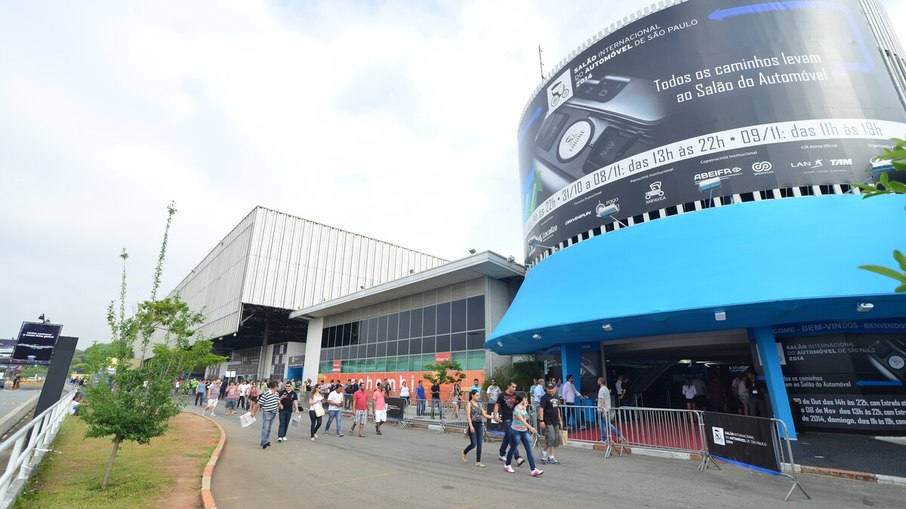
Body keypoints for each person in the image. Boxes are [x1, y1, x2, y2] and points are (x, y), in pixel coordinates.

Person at [504, 395, 543, 477]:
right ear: (520, 400)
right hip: (516, 431)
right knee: (513, 448)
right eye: (525, 398)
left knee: (529, 449)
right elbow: (522, 420)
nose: (526, 400)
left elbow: (526, 418)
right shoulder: (516, 408)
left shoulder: (522, 407)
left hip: (524, 431)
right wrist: (531, 428)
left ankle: (533, 469)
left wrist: (525, 408)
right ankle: (507, 465)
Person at [493, 380, 524, 467]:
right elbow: (497, 405)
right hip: (506, 419)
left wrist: (522, 409)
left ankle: (502, 453)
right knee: (511, 436)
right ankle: (518, 457)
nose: (514, 389)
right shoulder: (502, 395)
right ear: (508, 386)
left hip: (514, 418)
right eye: (513, 387)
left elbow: (522, 402)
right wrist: (495, 415)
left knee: (507, 436)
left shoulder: (516, 395)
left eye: (515, 387)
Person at [462, 389, 492, 468]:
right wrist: (471, 426)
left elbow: (484, 415)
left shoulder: (479, 404)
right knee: (473, 444)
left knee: (480, 444)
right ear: (472, 395)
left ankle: (478, 462)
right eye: (477, 395)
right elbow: (468, 416)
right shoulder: (469, 404)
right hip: (473, 424)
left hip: (479, 425)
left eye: (479, 395)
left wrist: (493, 417)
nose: (478, 397)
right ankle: (464, 452)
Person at [538, 382, 563, 464]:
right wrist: (541, 420)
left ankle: (551, 456)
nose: (549, 390)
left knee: (556, 439)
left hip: (555, 420)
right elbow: (541, 409)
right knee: (551, 437)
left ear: (555, 389)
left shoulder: (556, 396)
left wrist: (560, 419)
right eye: (548, 388)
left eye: (551, 388)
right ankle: (543, 452)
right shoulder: (544, 398)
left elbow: (557, 408)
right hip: (547, 421)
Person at [252, 381, 279, 449]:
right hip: (267, 412)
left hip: (274, 413)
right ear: (274, 387)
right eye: (277, 386)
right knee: (266, 427)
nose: (278, 387)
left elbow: (277, 401)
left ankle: (263, 441)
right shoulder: (266, 394)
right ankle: (265, 442)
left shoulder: (277, 394)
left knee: (269, 428)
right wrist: (254, 412)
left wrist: (280, 405)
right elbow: (258, 403)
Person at [597, 377, 622, 443]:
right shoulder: (606, 389)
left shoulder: (601, 390)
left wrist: (603, 411)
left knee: (604, 425)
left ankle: (605, 438)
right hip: (607, 408)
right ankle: (608, 437)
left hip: (602, 409)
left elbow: (602, 401)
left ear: (600, 382)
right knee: (606, 424)